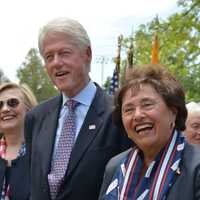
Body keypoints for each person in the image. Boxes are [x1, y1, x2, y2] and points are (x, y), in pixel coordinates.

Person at [24, 17, 132, 200]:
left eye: (64, 53)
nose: (56, 63)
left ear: (87, 53)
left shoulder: (118, 113)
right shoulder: (35, 117)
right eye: (49, 56)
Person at [99, 64, 200, 200]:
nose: (138, 115)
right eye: (128, 109)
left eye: (147, 105)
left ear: (173, 112)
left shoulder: (196, 166)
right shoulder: (115, 166)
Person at [0, 83, 37, 200]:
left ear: (29, 108)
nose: (5, 109)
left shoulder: (44, 153)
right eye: (0, 105)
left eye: (13, 102)